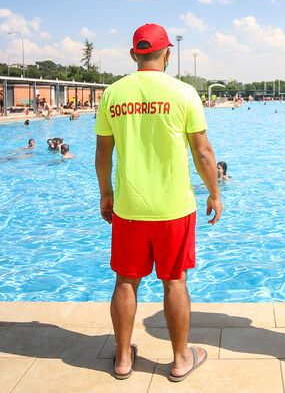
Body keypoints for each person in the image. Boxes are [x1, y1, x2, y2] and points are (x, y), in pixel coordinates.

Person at [94, 23, 221, 382]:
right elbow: (203, 151)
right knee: (174, 281)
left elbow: (103, 152)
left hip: (130, 206)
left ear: (134, 55)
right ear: (168, 53)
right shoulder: (184, 93)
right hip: (174, 208)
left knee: (125, 282)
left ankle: (122, 358)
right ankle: (180, 359)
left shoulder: (113, 94)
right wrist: (214, 192)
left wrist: (106, 192)